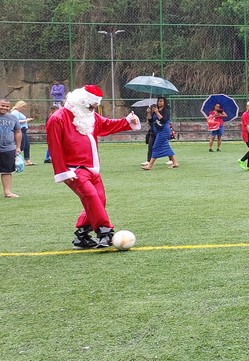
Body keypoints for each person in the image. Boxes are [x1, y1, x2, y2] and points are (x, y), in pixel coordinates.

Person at [45, 85, 142, 248]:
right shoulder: (58, 118)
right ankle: (105, 232)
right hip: (73, 169)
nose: (93, 108)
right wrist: (63, 172)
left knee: (99, 200)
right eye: (91, 105)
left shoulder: (89, 115)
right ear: (81, 101)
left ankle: (81, 235)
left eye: (95, 106)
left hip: (91, 168)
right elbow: (54, 148)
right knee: (91, 196)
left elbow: (106, 125)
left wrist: (126, 122)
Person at [142, 97, 178, 170]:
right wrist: (149, 113)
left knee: (155, 147)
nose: (159, 103)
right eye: (158, 101)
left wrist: (157, 112)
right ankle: (175, 162)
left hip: (164, 131)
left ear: (164, 102)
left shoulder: (166, 110)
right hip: (157, 130)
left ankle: (150, 165)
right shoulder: (155, 110)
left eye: (161, 101)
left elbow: (163, 120)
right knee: (166, 147)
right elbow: (151, 120)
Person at [0, 100, 23, 198]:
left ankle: (8, 192)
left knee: (7, 171)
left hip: (8, 149)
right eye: (2, 105)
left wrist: (17, 147)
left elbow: (18, 132)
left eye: (6, 106)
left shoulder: (13, 118)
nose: (4, 108)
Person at [11, 101, 34, 166]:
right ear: (20, 106)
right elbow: (16, 121)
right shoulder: (14, 112)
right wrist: (26, 120)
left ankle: (27, 160)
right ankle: (15, 159)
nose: (24, 109)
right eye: (23, 107)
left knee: (27, 145)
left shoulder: (18, 112)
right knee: (21, 146)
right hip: (20, 130)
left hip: (24, 130)